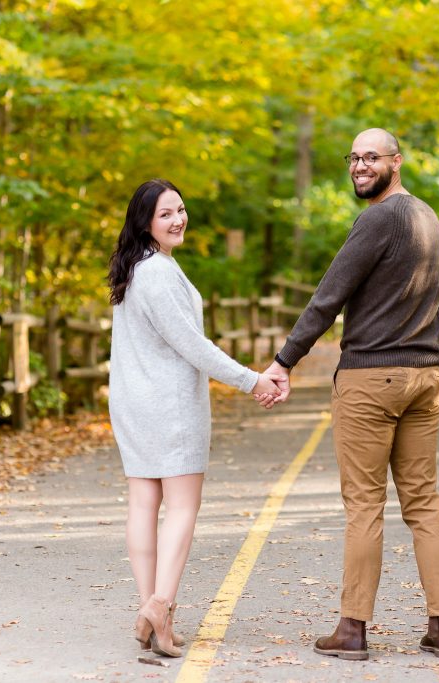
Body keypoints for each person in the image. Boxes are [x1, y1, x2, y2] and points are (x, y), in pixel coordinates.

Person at [256, 129, 439, 660]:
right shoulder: (428, 218)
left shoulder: (378, 219)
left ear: (397, 161)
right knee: (423, 502)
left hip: (372, 379)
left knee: (364, 505)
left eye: (371, 157)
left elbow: (328, 296)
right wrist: (427, 349)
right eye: (353, 157)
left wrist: (283, 362)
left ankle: (353, 629)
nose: (359, 166)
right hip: (424, 377)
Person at [107, 179, 282, 657]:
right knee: (182, 507)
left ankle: (152, 615)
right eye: (166, 214)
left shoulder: (136, 269)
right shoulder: (158, 274)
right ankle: (160, 606)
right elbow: (192, 346)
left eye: (181, 209)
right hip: (168, 406)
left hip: (132, 401)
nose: (178, 219)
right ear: (145, 221)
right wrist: (253, 380)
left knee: (144, 503)